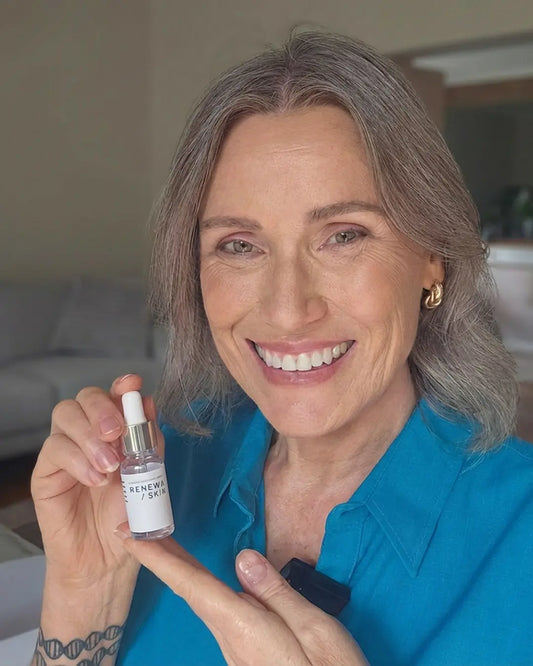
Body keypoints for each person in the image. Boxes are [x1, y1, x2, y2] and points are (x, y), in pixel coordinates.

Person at [30, 31, 533, 666]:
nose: (288, 309)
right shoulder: (157, 480)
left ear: (432, 258)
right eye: (239, 245)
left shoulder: (521, 530)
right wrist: (84, 600)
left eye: (344, 235)